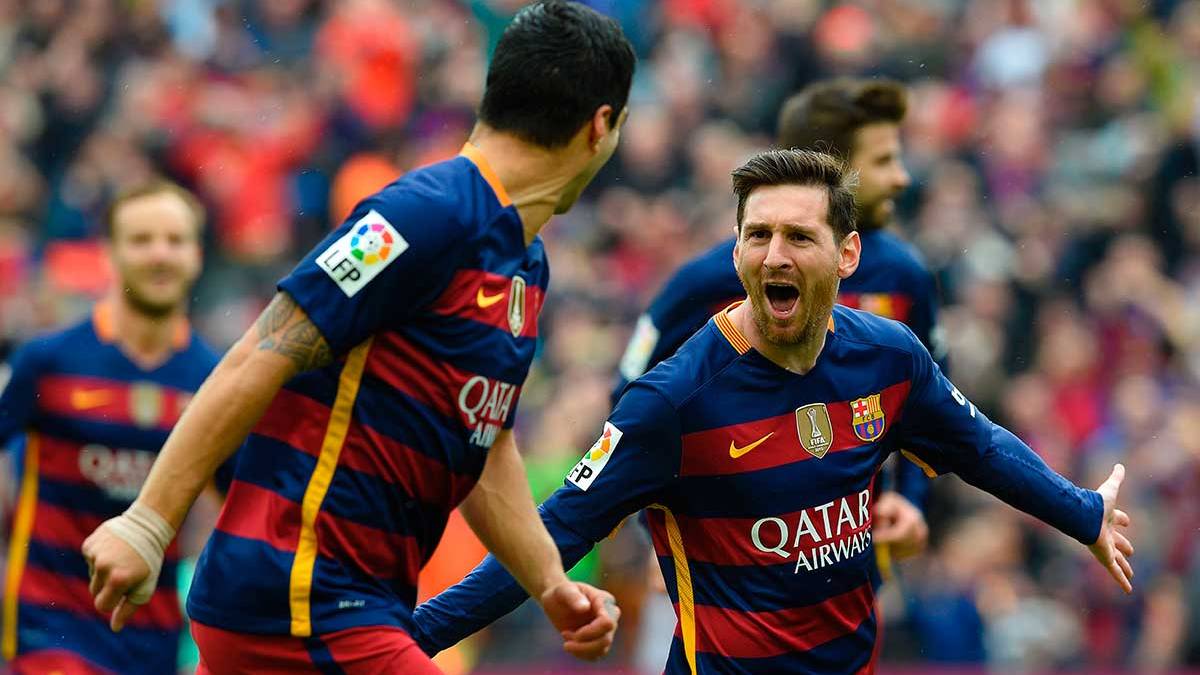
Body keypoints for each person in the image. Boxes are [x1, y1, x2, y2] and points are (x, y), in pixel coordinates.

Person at [410, 149, 1134, 673]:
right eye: (758, 235)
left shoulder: (889, 358)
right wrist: (409, 638)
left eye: (798, 236)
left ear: (847, 253)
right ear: (736, 251)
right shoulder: (672, 401)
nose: (774, 254)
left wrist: (1085, 514)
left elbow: (978, 446)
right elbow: (554, 532)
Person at [81, 1, 634, 672]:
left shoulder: (525, 262)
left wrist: (548, 580)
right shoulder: (425, 213)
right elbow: (266, 347)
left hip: (351, 602)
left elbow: (485, 450)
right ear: (602, 126)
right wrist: (149, 521)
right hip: (299, 592)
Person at [615, 78, 935, 580]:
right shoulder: (707, 282)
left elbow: (927, 407)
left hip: (845, 562)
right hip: (726, 566)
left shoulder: (906, 277)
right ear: (834, 170)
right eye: (882, 161)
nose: (900, 178)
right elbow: (632, 399)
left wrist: (909, 499)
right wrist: (655, 525)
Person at [0, 181, 225, 674]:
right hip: (51, 629)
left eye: (174, 240)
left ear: (198, 254)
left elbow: (241, 504)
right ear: (110, 253)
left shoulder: (214, 381)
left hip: (153, 640)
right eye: (142, 240)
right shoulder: (50, 360)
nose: (160, 254)